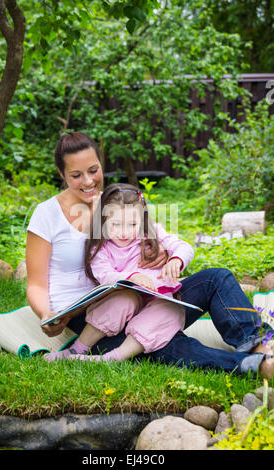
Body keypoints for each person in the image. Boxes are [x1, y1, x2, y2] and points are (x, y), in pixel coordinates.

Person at [26, 131, 274, 378]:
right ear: (61, 174)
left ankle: (260, 343)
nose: (88, 181)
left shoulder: (120, 201)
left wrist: (165, 255)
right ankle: (252, 365)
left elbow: (160, 238)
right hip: (92, 319)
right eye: (76, 175)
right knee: (160, 343)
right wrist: (45, 314)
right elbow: (36, 284)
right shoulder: (47, 213)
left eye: (93, 170)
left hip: (149, 299)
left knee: (215, 279)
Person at [43, 183, 193, 363]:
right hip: (124, 300)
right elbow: (104, 274)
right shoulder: (100, 246)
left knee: (168, 310)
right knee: (122, 300)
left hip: (157, 299)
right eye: (116, 224)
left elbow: (183, 246)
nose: (124, 231)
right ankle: (76, 349)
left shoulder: (150, 232)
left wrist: (176, 259)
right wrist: (130, 278)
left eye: (132, 224)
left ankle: (113, 357)